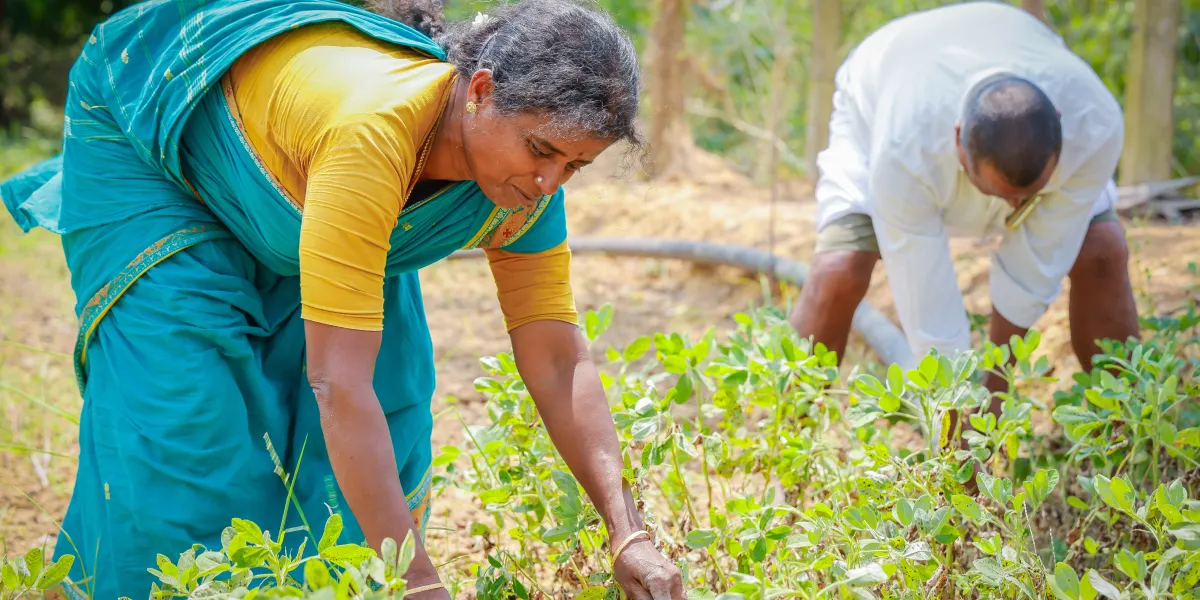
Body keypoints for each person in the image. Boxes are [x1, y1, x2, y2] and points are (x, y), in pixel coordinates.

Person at [0, 1, 685, 598]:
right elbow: (338, 383)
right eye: (540, 150)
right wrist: (419, 584)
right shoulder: (373, 133)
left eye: (575, 167)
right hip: (157, 143)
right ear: (480, 91)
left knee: (391, 392)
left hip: (313, 182)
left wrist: (627, 533)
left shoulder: (527, 185)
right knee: (192, 429)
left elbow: (558, 358)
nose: (548, 183)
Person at [788, 1, 1140, 406]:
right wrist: (959, 419)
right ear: (957, 139)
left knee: (1102, 249)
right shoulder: (903, 148)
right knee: (840, 268)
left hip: (995, 68)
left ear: (1060, 123)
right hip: (878, 100)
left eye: (1029, 194)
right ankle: (790, 428)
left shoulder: (1094, 123)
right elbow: (926, 300)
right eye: (1000, 194)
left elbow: (1033, 271)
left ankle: (1129, 424)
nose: (1015, 207)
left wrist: (994, 395)